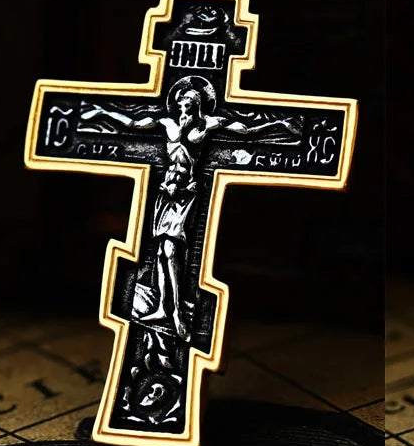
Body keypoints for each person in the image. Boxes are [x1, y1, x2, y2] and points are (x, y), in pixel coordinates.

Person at [80, 76, 302, 340]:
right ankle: (163, 309)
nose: (183, 109)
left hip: (185, 195)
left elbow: (244, 129)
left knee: (171, 249)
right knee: (161, 252)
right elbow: (132, 123)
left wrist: (279, 124)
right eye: (180, 105)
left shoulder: (207, 125)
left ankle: (176, 313)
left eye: (188, 105)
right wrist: (101, 112)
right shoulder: (167, 123)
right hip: (166, 192)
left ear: (197, 106)